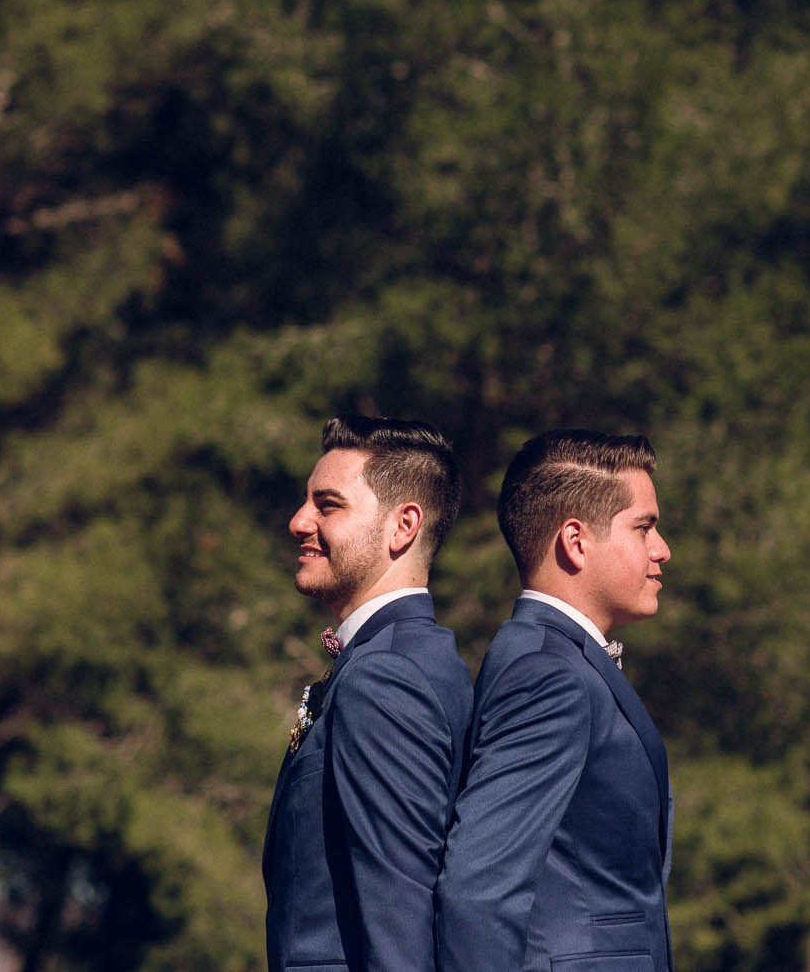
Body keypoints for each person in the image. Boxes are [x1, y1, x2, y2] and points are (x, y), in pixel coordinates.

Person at [433, 429, 674, 971]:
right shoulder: (548, 673)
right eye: (644, 528)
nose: (661, 550)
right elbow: (478, 891)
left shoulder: (560, 660)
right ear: (576, 540)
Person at [263, 415, 475, 972]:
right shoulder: (405, 659)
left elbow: (397, 914)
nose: (298, 521)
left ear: (402, 526)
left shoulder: (387, 677)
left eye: (328, 505)